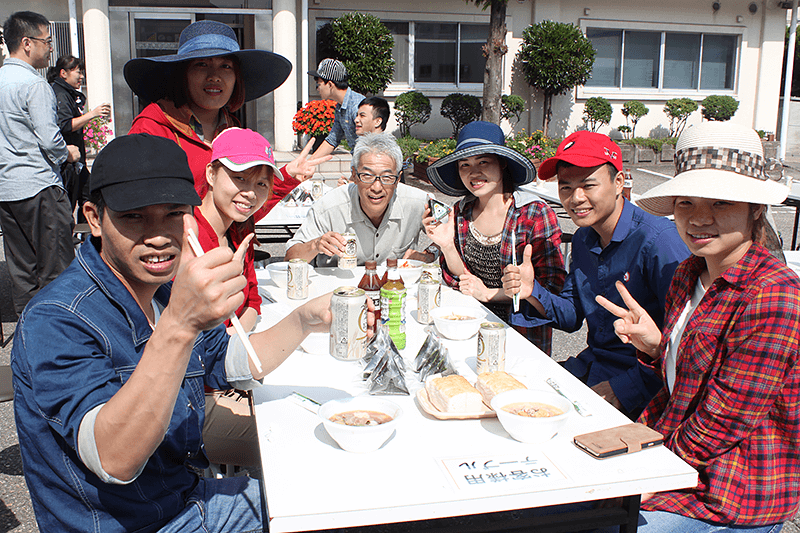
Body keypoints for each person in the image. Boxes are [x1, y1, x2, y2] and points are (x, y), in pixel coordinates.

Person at [11, 133, 364, 533]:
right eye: (134, 217)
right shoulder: (57, 319)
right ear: (94, 217)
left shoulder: (162, 290)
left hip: (183, 495)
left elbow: (229, 361)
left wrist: (305, 319)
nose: (158, 235)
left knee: (329, 486)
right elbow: (112, 459)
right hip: (132, 523)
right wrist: (179, 325)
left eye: (172, 214)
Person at [595, 121, 800, 532]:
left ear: (755, 208)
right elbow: (686, 384)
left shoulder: (774, 295)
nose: (699, 218)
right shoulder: (689, 273)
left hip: (733, 489)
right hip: (675, 450)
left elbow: (723, 419)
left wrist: (650, 477)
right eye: (686, 202)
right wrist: (657, 348)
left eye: (721, 203)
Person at [502, 131, 689, 418]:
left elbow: (687, 346)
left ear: (618, 182)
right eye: (566, 188)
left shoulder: (659, 242)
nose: (576, 198)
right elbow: (571, 316)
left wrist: (624, 389)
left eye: (588, 185)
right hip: (593, 365)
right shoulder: (584, 238)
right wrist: (532, 291)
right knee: (511, 394)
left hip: (645, 385)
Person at [125, 20, 327, 217]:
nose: (215, 76)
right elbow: (139, 216)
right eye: (201, 64)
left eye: (226, 66)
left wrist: (287, 176)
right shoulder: (151, 131)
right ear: (183, 73)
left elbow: (242, 212)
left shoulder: (233, 130)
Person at [424, 121, 566, 355]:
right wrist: (447, 245)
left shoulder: (533, 214)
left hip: (520, 337)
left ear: (502, 164)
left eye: (483, 162)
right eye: (464, 164)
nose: (473, 172)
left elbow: (552, 289)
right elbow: (465, 280)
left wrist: (490, 294)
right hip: (467, 329)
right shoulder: (461, 211)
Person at [195, 127, 281, 468]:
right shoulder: (188, 237)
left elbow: (254, 301)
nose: (251, 193)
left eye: (261, 183)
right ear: (211, 173)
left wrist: (233, 336)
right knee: (286, 438)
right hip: (197, 398)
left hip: (232, 371)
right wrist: (227, 341)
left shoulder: (236, 230)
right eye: (240, 177)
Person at [0, 11, 80, 316]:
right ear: (26, 43)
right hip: (39, 186)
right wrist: (68, 153)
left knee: (21, 270)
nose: (51, 49)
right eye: (47, 42)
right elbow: (49, 140)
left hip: (7, 190)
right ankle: (58, 334)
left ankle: (27, 330)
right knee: (56, 268)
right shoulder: (34, 86)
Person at [285, 132, 433, 266]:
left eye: (387, 177)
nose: (376, 187)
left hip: (396, 291)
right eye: (367, 176)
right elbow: (289, 258)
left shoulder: (418, 202)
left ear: (398, 179)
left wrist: (429, 253)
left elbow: (453, 231)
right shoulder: (328, 206)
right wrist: (315, 245)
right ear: (354, 176)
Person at [47, 54, 111, 216]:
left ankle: (86, 235)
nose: (81, 76)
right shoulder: (60, 94)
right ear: (63, 73)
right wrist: (93, 114)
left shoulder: (68, 93)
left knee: (90, 197)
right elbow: (66, 125)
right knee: (67, 206)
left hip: (77, 162)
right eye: (77, 72)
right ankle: (72, 237)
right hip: (67, 162)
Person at [308, 58, 365, 159]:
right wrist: (309, 163)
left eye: (319, 84)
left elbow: (368, 145)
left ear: (330, 84)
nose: (317, 89)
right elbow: (332, 139)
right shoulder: (340, 106)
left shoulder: (357, 106)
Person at [337, 96, 392, 186]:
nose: (356, 120)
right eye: (357, 115)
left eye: (362, 116)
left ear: (377, 122)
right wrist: (347, 183)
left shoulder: (383, 150)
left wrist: (350, 186)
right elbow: (356, 180)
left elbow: (377, 186)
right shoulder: (363, 145)